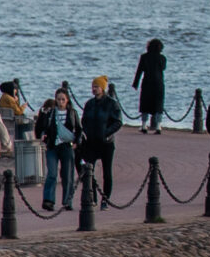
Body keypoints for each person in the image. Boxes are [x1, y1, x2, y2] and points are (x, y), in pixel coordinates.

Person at [79, 75, 123, 206]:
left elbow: (118, 122)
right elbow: (84, 120)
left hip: (106, 143)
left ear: (102, 88)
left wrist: (106, 133)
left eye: (96, 87)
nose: (94, 89)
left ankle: (105, 199)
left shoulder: (111, 103)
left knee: (107, 172)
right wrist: (85, 132)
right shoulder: (89, 104)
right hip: (91, 142)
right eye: (93, 87)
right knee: (89, 170)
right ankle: (93, 197)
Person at [35, 87, 81, 211]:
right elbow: (43, 127)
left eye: (63, 99)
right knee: (52, 173)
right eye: (58, 99)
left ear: (67, 100)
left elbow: (78, 129)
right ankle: (49, 200)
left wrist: (77, 141)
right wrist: (43, 136)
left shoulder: (72, 113)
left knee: (67, 174)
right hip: (52, 146)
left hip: (67, 147)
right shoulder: (50, 113)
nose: (60, 102)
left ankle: (67, 201)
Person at [133, 38, 168, 134]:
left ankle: (144, 125)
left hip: (147, 82)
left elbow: (139, 70)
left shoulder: (144, 57)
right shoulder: (162, 58)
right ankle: (158, 126)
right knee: (158, 104)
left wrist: (135, 83)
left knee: (145, 104)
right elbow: (163, 68)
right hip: (159, 83)